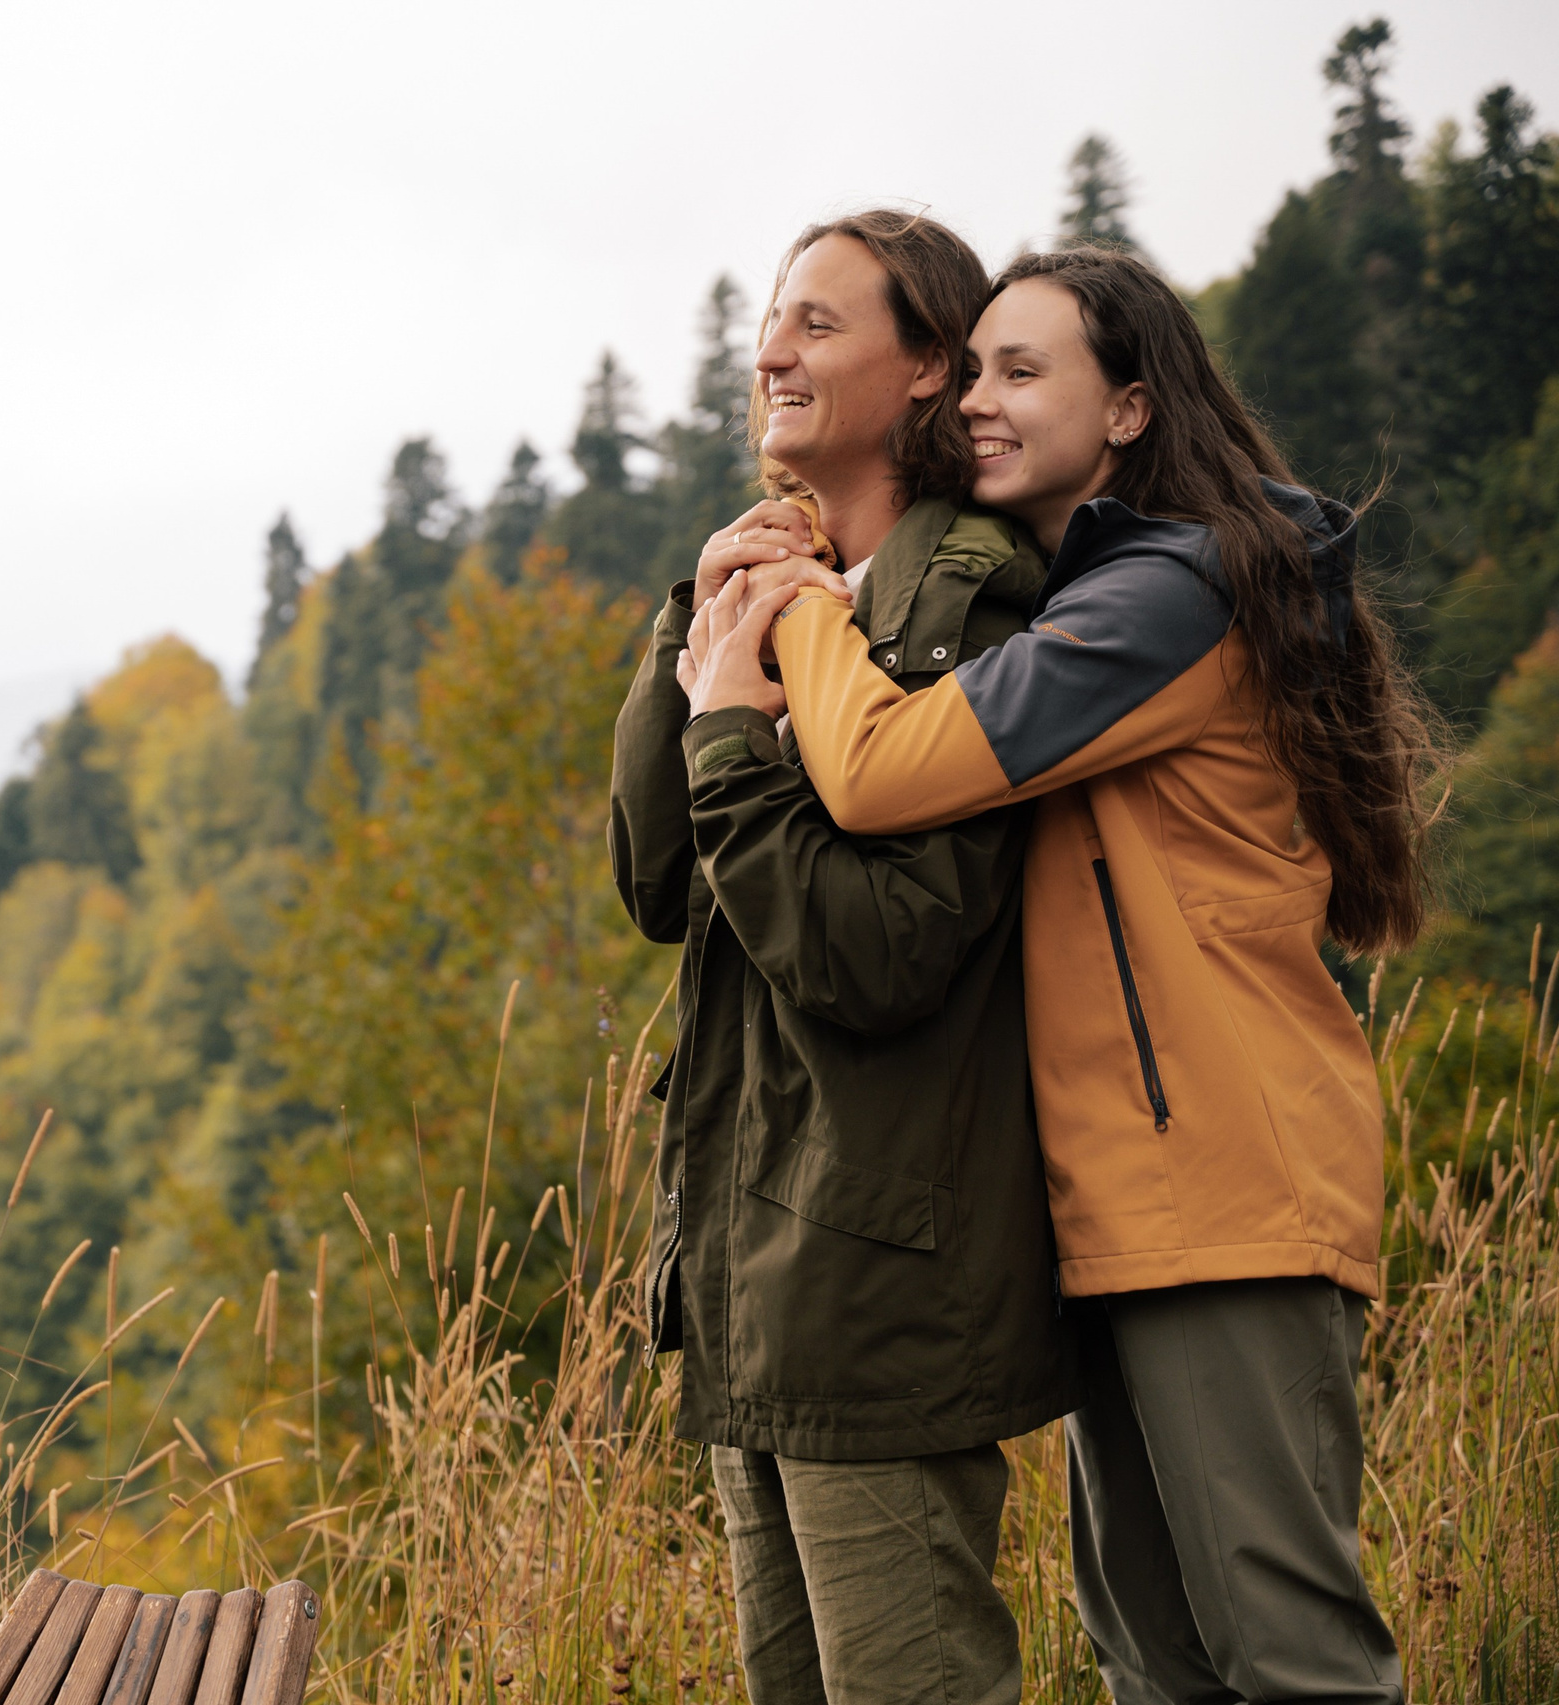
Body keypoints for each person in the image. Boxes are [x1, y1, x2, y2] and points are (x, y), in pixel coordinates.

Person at [694, 243, 1429, 1704]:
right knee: (1151, 1653)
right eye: (973, 368)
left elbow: (891, 768)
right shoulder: (1078, 591)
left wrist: (801, 615)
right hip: (1111, 1204)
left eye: (1024, 372)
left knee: (1286, 1654)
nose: (977, 399)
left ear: (1135, 412)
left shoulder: (1170, 593)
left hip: (1226, 1189)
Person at [609, 208, 1079, 1705]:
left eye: (820, 322)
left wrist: (738, 736)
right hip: (758, 1272)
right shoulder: (782, 588)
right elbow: (656, 878)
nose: (773, 351)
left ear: (929, 367)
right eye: (771, 320)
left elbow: (881, 955)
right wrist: (698, 625)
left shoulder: (969, 600)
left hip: (874, 1282)